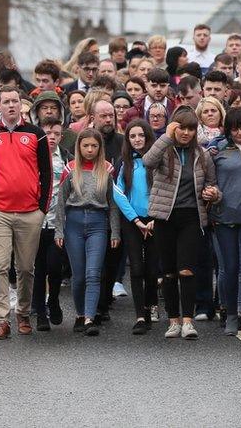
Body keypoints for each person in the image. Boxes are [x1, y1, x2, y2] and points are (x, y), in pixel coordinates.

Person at [0, 85, 52, 340]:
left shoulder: (36, 134)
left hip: (30, 212)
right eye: (6, 101)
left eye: (15, 101)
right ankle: (1, 319)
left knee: (26, 268)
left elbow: (47, 174)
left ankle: (24, 313)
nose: (11, 106)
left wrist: (42, 209)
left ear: (22, 105)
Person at [143, 108, 221, 340]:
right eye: (181, 127)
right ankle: (173, 320)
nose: (185, 133)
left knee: (186, 269)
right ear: (173, 127)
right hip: (164, 216)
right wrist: (166, 136)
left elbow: (214, 185)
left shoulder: (202, 155)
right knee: (168, 272)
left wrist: (213, 194)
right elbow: (148, 161)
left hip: (191, 217)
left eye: (190, 128)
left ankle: (188, 321)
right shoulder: (164, 149)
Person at [54, 129, 120, 336]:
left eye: (94, 146)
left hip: (98, 223)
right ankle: (80, 314)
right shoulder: (71, 168)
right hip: (73, 222)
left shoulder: (107, 169)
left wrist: (115, 232)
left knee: (93, 273)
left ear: (99, 148)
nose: (90, 150)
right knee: (79, 275)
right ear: (79, 147)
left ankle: (91, 318)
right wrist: (59, 231)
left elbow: (113, 204)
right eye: (86, 146)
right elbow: (61, 202)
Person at [210, 107, 241, 337]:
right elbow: (209, 181)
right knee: (229, 268)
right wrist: (213, 194)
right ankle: (231, 314)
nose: (239, 132)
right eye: (234, 128)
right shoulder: (217, 150)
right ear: (228, 129)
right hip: (224, 217)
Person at [113, 119, 158, 334]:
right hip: (133, 221)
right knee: (137, 269)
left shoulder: (157, 161)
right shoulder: (126, 163)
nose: (137, 140)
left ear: (148, 137)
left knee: (151, 270)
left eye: (141, 135)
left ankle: (150, 307)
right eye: (132, 136)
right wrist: (136, 220)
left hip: (154, 219)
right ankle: (140, 315)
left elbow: (163, 190)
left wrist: (153, 218)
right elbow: (118, 192)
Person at [33, 117, 71, 331]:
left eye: (56, 133)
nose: (52, 137)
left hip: (58, 222)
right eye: (48, 133)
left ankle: (53, 300)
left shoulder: (66, 158)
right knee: (38, 268)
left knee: (55, 267)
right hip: (36, 221)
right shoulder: (32, 157)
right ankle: (39, 312)